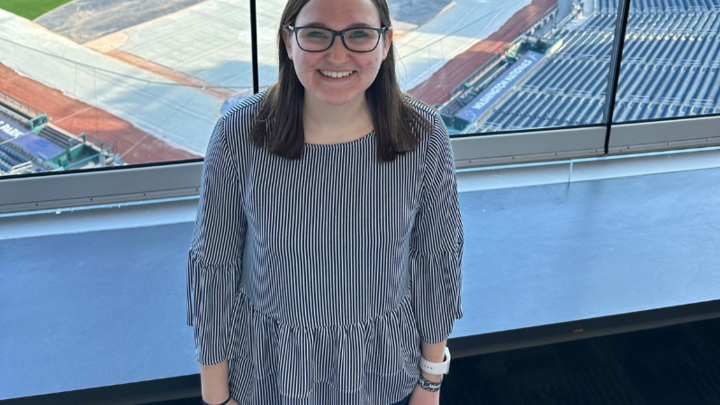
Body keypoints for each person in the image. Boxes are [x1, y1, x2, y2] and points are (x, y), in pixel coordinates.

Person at [186, 0, 464, 404]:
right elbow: (214, 266)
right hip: (269, 375)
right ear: (287, 40)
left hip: (384, 372)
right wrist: (215, 396)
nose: (337, 55)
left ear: (385, 43)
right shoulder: (237, 134)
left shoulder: (425, 135)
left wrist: (431, 381)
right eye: (316, 33)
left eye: (359, 34)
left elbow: (437, 260)